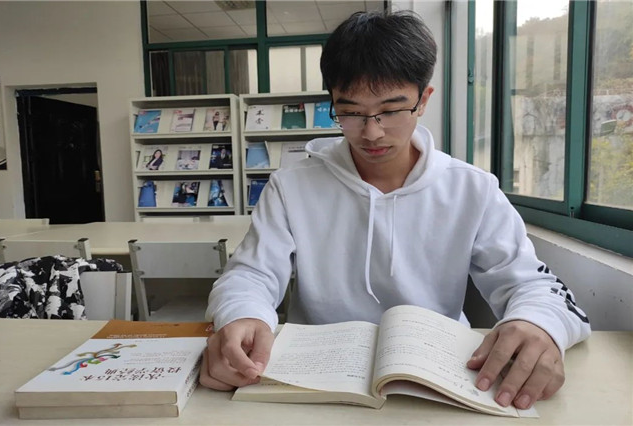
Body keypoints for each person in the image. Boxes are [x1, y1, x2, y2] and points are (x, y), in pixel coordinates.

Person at [200, 10, 591, 411]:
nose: (372, 132)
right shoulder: (291, 186)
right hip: (314, 382)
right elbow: (250, 274)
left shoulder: (471, 189)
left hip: (438, 380)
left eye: (391, 110)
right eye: (351, 112)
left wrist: (538, 323)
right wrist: (242, 314)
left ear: (423, 100)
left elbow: (532, 284)